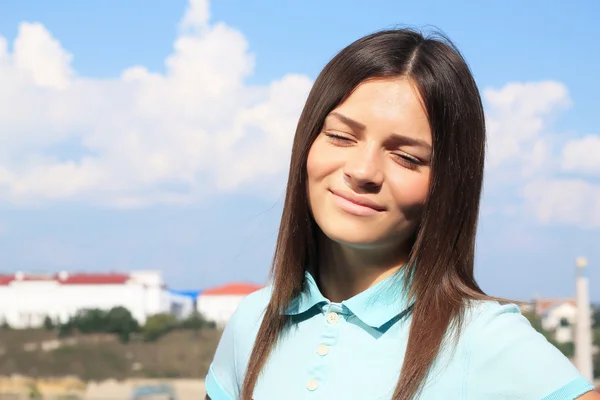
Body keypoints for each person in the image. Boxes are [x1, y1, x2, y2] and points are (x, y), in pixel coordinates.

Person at [204, 29, 599, 400]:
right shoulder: (253, 319)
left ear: (447, 185)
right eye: (341, 137)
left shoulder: (480, 335)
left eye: (407, 158)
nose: (362, 171)